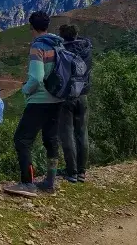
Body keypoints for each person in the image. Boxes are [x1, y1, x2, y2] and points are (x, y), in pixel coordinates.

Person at [4, 11, 64, 198]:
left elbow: (37, 77)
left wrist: (25, 90)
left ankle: (27, 183)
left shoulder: (38, 46)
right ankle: (50, 182)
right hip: (58, 99)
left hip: (39, 100)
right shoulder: (59, 44)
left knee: (22, 140)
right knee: (51, 139)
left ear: (31, 27)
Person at [57, 24, 92, 183]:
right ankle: (82, 172)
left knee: (67, 133)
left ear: (62, 36)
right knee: (82, 132)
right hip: (83, 94)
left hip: (66, 97)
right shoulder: (87, 49)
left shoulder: (61, 51)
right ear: (77, 34)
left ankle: (71, 171)